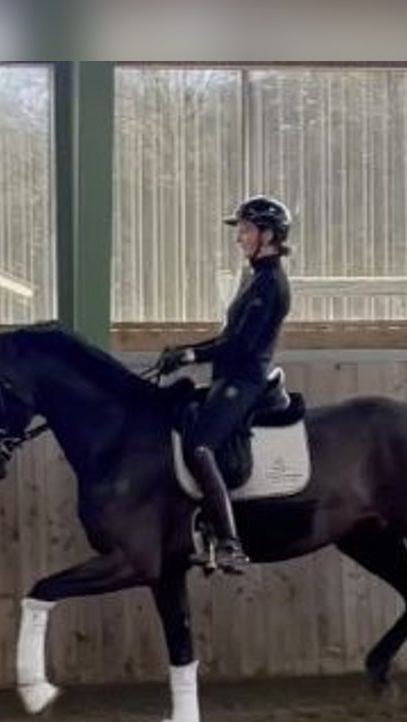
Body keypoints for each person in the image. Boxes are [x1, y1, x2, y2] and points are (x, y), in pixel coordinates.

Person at [157, 194, 293, 574]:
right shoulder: (256, 279)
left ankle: (230, 543)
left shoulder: (269, 283)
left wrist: (189, 357)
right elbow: (226, 336)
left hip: (244, 380)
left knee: (200, 447)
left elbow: (238, 345)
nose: (240, 238)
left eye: (247, 230)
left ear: (268, 235)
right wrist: (185, 351)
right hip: (231, 377)